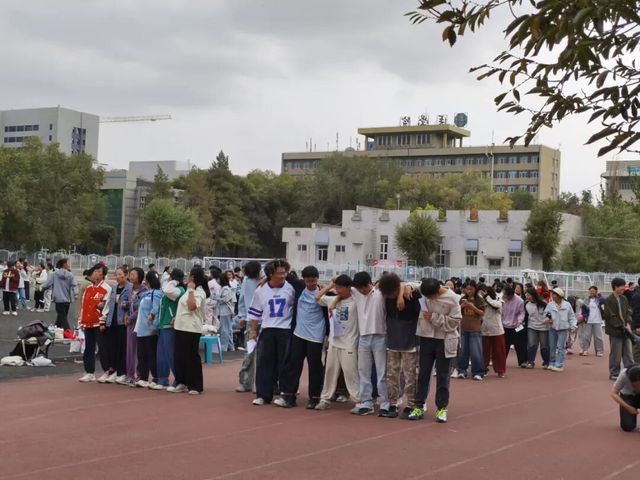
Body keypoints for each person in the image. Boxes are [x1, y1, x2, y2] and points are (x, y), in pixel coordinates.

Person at [409, 278, 461, 423]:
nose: (429, 300)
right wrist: (407, 288)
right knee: (423, 374)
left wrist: (434, 317)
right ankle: (419, 406)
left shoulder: (453, 299)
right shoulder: (425, 289)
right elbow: (410, 284)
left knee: (443, 376)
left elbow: (455, 322)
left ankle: (442, 408)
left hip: (444, 339)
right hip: (426, 337)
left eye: (430, 297)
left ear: (437, 292)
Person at [276, 266, 327, 409]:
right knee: (293, 365)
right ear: (303, 279)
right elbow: (282, 275)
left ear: (317, 279)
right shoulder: (299, 287)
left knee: (315, 367)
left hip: (315, 336)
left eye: (313, 281)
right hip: (298, 333)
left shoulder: (323, 292)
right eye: (308, 281)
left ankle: (314, 398)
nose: (311, 284)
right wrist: (264, 280)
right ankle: (289, 396)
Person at [248, 259, 296, 405]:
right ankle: (263, 394)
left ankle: (285, 393)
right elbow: (255, 312)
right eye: (279, 273)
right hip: (268, 329)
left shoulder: (291, 288)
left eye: (284, 273)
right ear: (270, 274)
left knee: (285, 363)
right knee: (264, 363)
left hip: (285, 330)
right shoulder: (260, 290)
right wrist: (253, 331)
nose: (282, 276)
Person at [377, 273, 421, 418]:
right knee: (392, 375)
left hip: (409, 341)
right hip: (392, 341)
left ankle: (411, 404)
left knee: (410, 375)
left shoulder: (411, 295)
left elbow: (418, 287)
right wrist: (399, 292)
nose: (390, 296)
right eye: (387, 294)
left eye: (392, 293)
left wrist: (403, 291)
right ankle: (393, 403)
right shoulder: (386, 297)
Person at [314, 275, 361, 412]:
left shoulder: (356, 301)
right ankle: (325, 399)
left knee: (351, 372)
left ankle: (359, 400)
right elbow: (317, 297)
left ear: (348, 288)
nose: (338, 290)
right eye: (337, 287)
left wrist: (342, 294)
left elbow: (358, 290)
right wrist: (331, 285)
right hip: (334, 342)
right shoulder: (332, 299)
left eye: (340, 287)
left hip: (349, 343)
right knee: (330, 371)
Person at [351, 271, 390, 416]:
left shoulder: (381, 293)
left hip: (380, 336)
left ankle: (385, 402)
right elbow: (338, 280)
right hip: (363, 337)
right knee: (363, 371)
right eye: (359, 288)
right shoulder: (356, 293)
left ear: (370, 283)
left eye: (364, 287)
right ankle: (366, 402)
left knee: (382, 372)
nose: (362, 290)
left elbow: (403, 284)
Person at [168, 265, 210, 395]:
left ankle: (195, 386)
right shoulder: (188, 290)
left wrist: (191, 290)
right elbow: (184, 307)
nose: (186, 277)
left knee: (191, 357)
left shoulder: (199, 291)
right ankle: (181, 382)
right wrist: (177, 317)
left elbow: (192, 306)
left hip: (191, 328)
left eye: (189, 275)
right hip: (180, 326)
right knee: (179, 356)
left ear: (192, 277)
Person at [78, 264, 112, 383]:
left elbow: (107, 307)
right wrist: (81, 321)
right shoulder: (88, 288)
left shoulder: (107, 289)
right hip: (87, 322)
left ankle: (107, 371)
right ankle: (89, 372)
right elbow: (83, 306)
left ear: (103, 275)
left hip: (99, 323)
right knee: (89, 348)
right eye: (95, 271)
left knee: (103, 348)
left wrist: (103, 321)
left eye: (98, 271)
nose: (96, 273)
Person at [97, 267, 131, 384]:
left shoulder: (129, 288)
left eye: (120, 274)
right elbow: (108, 305)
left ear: (126, 275)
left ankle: (123, 372)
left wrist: (126, 304)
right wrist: (104, 320)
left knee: (122, 348)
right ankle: (114, 370)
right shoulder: (113, 288)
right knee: (112, 348)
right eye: (116, 274)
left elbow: (132, 304)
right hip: (112, 321)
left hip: (123, 322)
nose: (118, 277)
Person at [155, 269, 185, 390]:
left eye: (170, 277)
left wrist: (174, 281)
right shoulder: (170, 289)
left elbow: (167, 289)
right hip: (163, 324)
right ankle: (162, 379)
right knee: (161, 354)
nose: (168, 279)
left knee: (171, 354)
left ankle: (179, 379)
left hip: (171, 325)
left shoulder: (180, 290)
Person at [235, 261, 262, 393]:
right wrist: (241, 316)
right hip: (250, 319)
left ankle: (261, 384)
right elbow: (242, 298)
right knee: (249, 352)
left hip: (266, 320)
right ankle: (245, 382)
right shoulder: (246, 280)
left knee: (264, 353)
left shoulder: (267, 278)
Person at [134, 271, 163, 388]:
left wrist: (154, 326)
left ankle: (156, 377)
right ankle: (143, 378)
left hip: (149, 329)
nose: (145, 281)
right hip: (141, 329)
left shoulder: (156, 293)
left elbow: (157, 309)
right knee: (142, 355)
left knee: (151, 355)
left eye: (146, 279)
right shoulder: (146, 293)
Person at [604, 277, 634, 381]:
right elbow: (610, 316)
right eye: (622, 286)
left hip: (625, 329)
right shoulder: (608, 300)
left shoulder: (624, 298)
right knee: (615, 353)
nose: (624, 288)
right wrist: (621, 325)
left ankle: (630, 371)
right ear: (615, 287)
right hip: (615, 331)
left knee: (628, 353)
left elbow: (629, 311)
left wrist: (628, 322)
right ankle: (614, 373)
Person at [454, 280, 485, 380]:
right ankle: (462, 370)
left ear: (475, 289)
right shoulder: (462, 299)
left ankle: (478, 372)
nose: (469, 291)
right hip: (464, 328)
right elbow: (456, 312)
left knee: (476, 352)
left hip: (475, 329)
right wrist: (461, 306)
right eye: (467, 289)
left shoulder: (479, 299)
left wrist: (473, 307)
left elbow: (482, 313)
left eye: (471, 289)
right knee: (463, 351)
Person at [543, 287, 577, 372]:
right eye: (552, 294)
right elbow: (546, 314)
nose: (552, 296)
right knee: (552, 346)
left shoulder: (567, 305)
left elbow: (572, 316)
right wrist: (547, 319)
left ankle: (559, 364)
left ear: (559, 295)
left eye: (554, 294)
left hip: (563, 329)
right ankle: (552, 362)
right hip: (552, 328)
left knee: (561, 347)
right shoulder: (550, 304)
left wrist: (573, 326)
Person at [41, 258, 79, 330]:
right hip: (68, 299)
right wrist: (76, 295)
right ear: (64, 264)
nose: (69, 264)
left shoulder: (54, 274)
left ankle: (67, 331)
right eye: (68, 263)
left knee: (62, 317)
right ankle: (56, 329)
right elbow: (74, 285)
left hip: (58, 298)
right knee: (62, 316)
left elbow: (46, 284)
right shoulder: (71, 275)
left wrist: (41, 288)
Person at [125, 267, 147, 387]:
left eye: (134, 275)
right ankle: (130, 375)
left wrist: (131, 317)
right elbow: (128, 304)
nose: (131, 277)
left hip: (139, 323)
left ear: (140, 277)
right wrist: (126, 314)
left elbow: (141, 309)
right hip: (130, 323)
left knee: (138, 350)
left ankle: (138, 375)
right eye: (130, 274)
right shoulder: (129, 290)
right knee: (130, 349)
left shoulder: (144, 291)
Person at [480, 285, 506, 378]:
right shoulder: (481, 300)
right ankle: (483, 369)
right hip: (484, 329)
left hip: (497, 329)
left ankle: (500, 370)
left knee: (499, 351)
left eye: (484, 292)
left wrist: (486, 298)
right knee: (484, 351)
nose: (482, 294)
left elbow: (497, 306)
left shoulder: (498, 299)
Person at [525, 287, 550, 369]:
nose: (527, 297)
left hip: (543, 327)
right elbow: (526, 315)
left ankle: (546, 362)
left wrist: (547, 318)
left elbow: (549, 313)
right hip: (532, 327)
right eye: (526, 295)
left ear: (533, 295)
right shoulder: (526, 304)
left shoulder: (543, 303)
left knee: (544, 346)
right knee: (531, 345)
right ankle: (530, 362)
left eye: (528, 295)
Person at [502, 286, 527, 367]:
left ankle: (522, 362)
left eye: (507, 295)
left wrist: (520, 321)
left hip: (516, 325)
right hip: (504, 325)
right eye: (504, 295)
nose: (505, 296)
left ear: (511, 295)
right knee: (504, 345)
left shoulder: (519, 301)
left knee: (519, 345)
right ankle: (501, 362)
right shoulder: (502, 299)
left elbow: (522, 312)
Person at [610, 365, 640, 432]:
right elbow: (613, 393)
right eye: (636, 384)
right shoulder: (623, 376)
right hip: (628, 396)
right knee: (628, 427)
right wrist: (628, 407)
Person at [580, 286, 605, 357]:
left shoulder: (599, 299)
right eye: (590, 291)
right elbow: (583, 310)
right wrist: (585, 316)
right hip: (588, 320)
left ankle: (599, 351)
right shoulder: (586, 300)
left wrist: (599, 295)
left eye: (593, 291)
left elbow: (604, 300)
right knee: (586, 337)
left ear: (596, 291)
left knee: (598, 337)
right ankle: (585, 350)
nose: (591, 292)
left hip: (597, 320)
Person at [218, 272, 237, 352]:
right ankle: (230, 346)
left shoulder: (225, 288)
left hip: (225, 310)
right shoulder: (226, 287)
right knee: (228, 328)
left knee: (224, 329)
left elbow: (225, 299)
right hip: (227, 311)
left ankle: (224, 346)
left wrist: (217, 299)